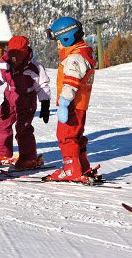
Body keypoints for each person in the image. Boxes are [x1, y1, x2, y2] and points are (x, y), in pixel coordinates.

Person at [0, 36, 51, 170]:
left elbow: (42, 85)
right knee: (2, 123)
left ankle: (28, 158)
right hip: (9, 100)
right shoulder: (5, 63)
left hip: (26, 101)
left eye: (18, 57)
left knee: (23, 128)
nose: (15, 60)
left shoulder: (34, 67)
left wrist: (45, 103)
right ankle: (2, 154)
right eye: (13, 56)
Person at [44, 16, 97, 182]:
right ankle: (83, 166)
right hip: (80, 105)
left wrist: (64, 104)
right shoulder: (81, 53)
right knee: (76, 137)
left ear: (68, 37)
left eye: (59, 41)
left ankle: (71, 169)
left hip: (72, 105)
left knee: (66, 136)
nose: (58, 45)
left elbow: (71, 83)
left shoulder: (75, 58)